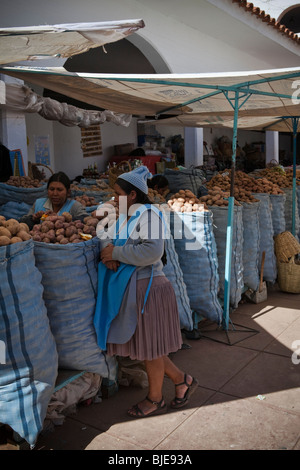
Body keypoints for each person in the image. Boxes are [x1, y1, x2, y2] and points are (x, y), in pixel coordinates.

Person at [94, 165, 198, 418]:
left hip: (149, 290)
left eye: (117, 192)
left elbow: (152, 251)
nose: (113, 197)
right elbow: (108, 237)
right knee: (149, 347)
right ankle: (182, 380)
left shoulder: (149, 215)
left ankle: (155, 399)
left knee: (150, 349)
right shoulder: (127, 217)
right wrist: (108, 251)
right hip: (136, 290)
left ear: (131, 195)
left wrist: (116, 253)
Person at [20, 171, 89, 229]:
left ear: (68, 192)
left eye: (59, 190)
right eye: (52, 189)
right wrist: (33, 219)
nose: (55, 193)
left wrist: (61, 219)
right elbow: (23, 224)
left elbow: (86, 220)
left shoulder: (75, 206)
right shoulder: (38, 203)